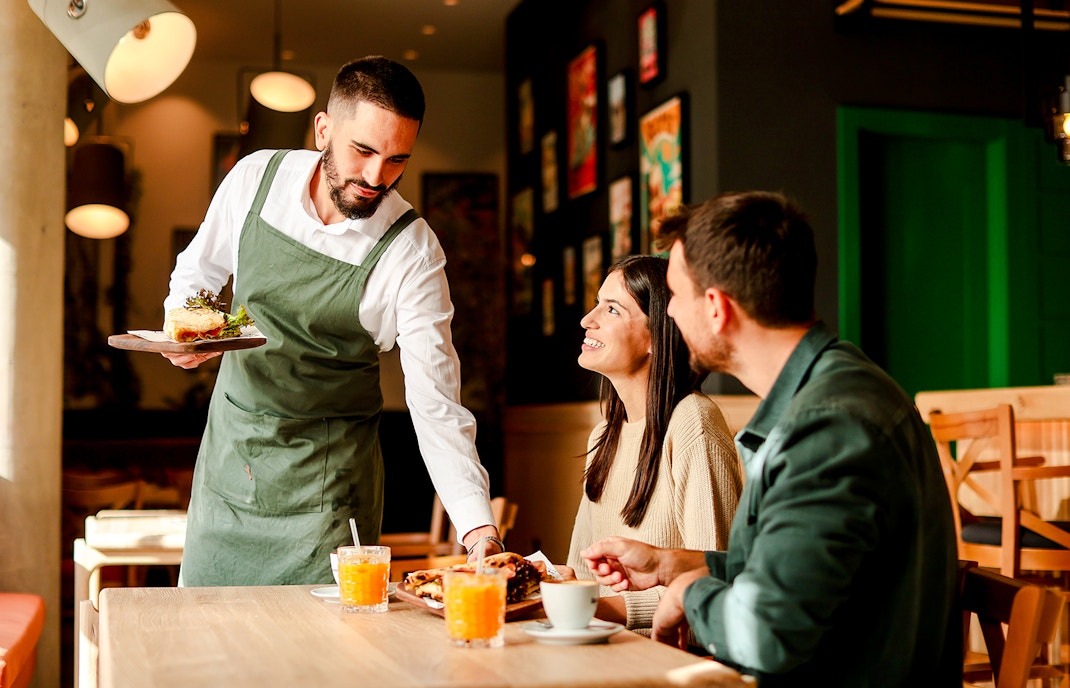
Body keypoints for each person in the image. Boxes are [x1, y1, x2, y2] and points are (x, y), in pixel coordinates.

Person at [581, 192, 960, 686]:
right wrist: (678, 565)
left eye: (675, 295)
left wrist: (689, 594)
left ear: (716, 308)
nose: (669, 313)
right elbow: (802, 574)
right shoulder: (835, 385)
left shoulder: (827, 427)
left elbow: (769, 634)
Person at [161, 55, 502, 587]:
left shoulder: (411, 252)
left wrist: (479, 529)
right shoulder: (255, 180)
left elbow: (435, 402)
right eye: (363, 151)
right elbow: (198, 272)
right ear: (324, 129)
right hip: (230, 468)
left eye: (397, 160)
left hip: (329, 497)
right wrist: (186, 330)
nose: (376, 177)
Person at [558, 255, 743, 636]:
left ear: (656, 338)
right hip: (602, 653)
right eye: (597, 303)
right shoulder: (604, 436)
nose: (587, 319)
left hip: (664, 658)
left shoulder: (693, 422)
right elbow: (580, 571)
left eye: (612, 309)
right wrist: (552, 585)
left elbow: (714, 587)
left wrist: (599, 607)